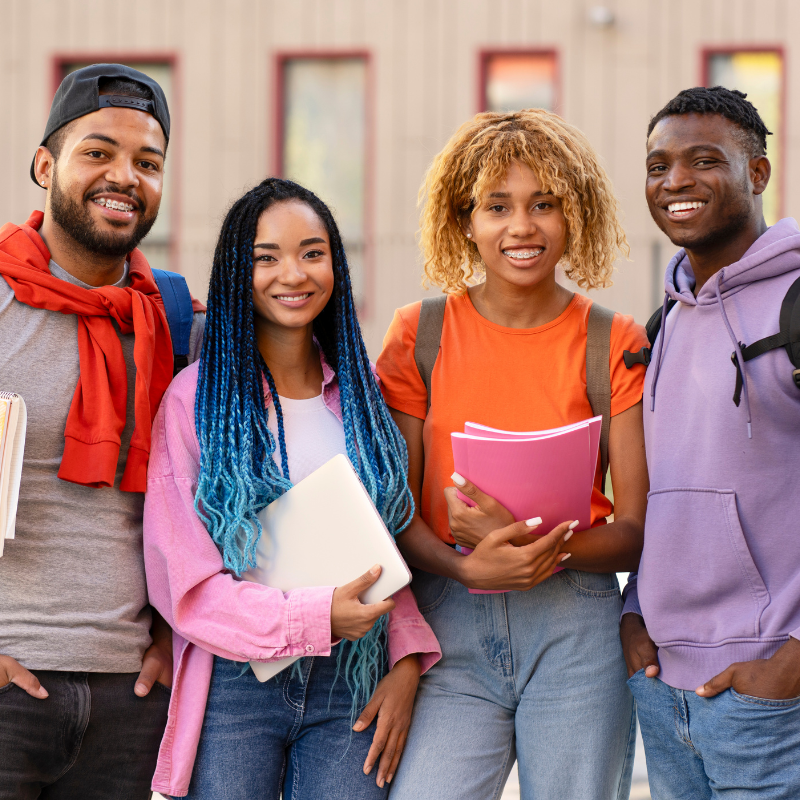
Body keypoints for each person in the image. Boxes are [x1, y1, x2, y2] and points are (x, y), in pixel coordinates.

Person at [376, 109, 650, 800]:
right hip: (449, 622)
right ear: (464, 219)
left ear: (574, 213)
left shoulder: (612, 341)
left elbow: (637, 531)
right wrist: (467, 561)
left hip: (575, 626)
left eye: (544, 205)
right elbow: (394, 514)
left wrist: (537, 552)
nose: (521, 227)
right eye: (497, 207)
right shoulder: (419, 336)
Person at [142, 177, 441, 800]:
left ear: (335, 264)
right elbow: (187, 588)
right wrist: (314, 614)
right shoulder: (195, 403)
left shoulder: (362, 403)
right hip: (235, 682)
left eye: (312, 252)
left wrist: (407, 664)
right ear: (236, 273)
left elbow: (385, 553)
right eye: (266, 257)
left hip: (354, 684)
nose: (293, 273)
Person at [0, 64, 205, 799]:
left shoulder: (175, 320)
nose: (124, 176)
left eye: (147, 163)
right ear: (45, 165)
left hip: (130, 701)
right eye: (98, 152)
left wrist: (167, 636)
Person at [621, 86, 800, 799]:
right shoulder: (659, 327)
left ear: (757, 173)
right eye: (658, 166)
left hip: (769, 695)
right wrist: (633, 614)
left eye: (703, 161)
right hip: (664, 692)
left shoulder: (794, 302)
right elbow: (661, 495)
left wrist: (794, 662)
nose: (675, 182)